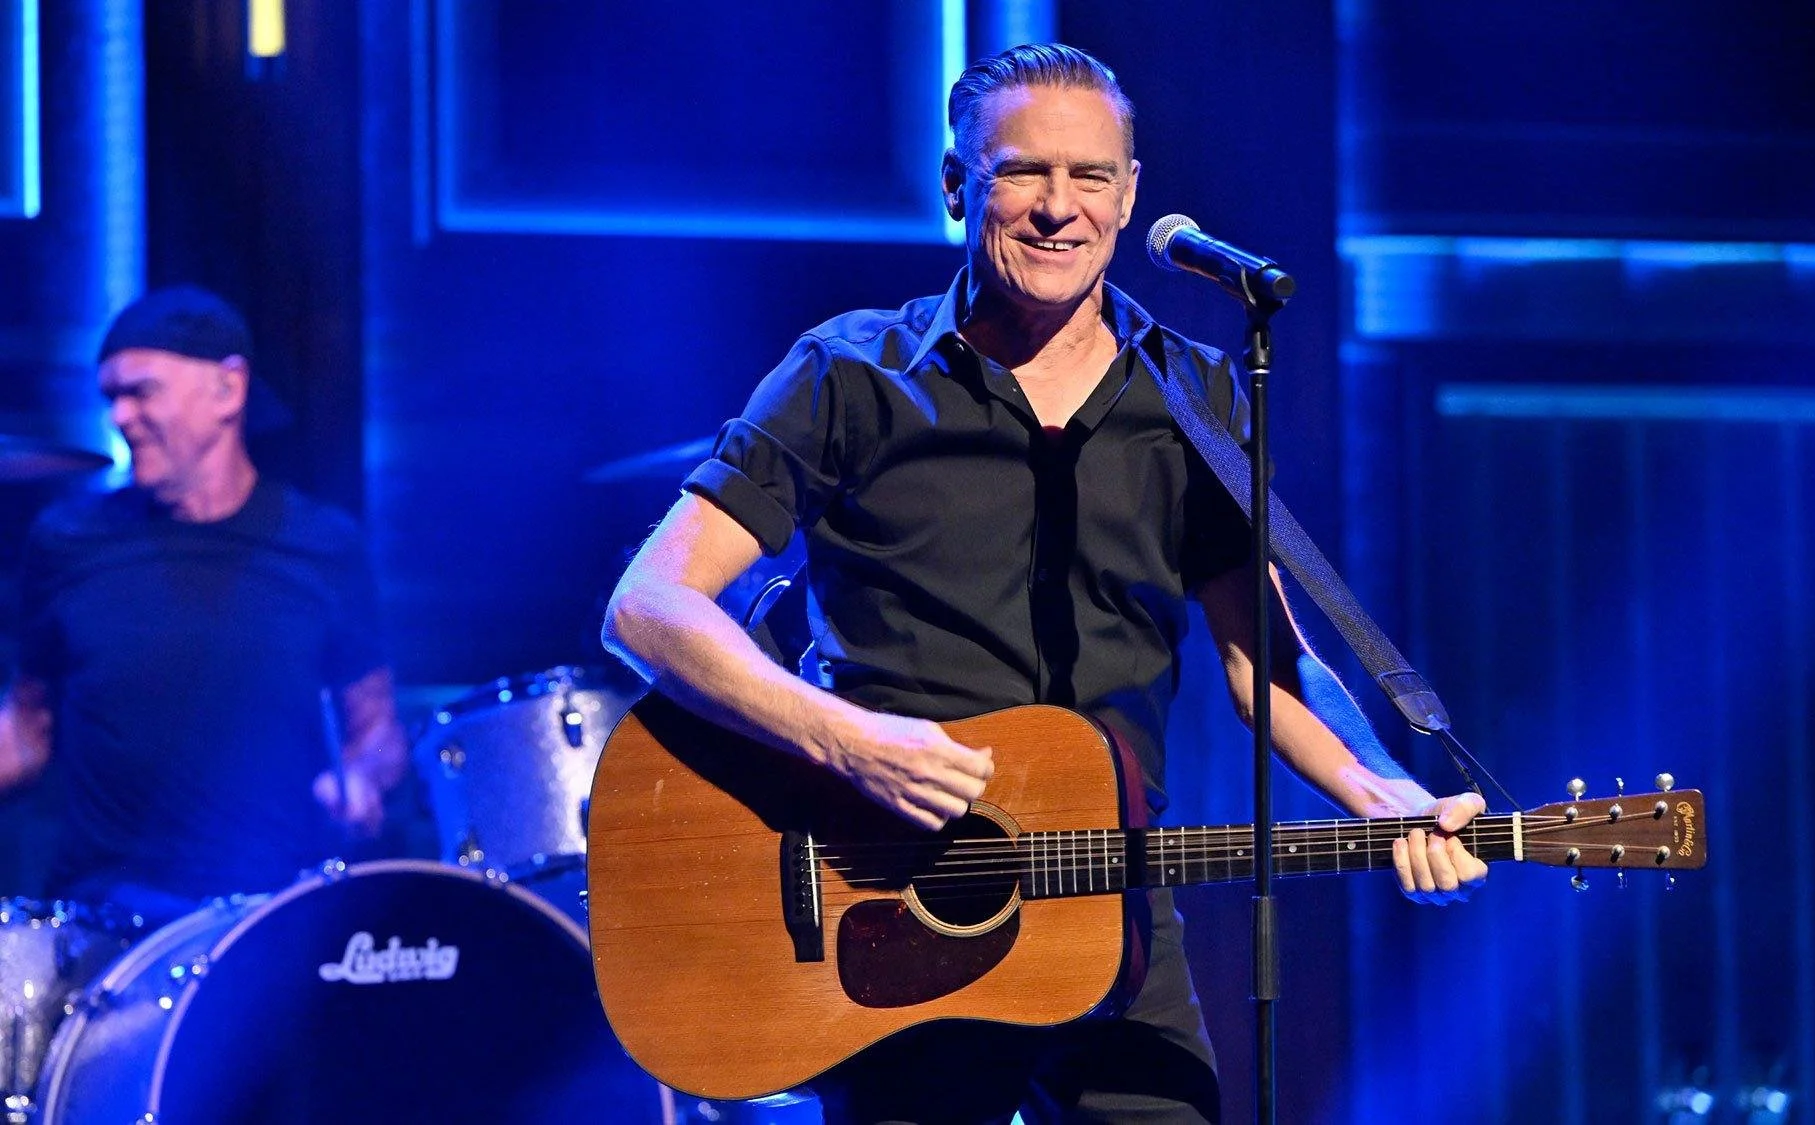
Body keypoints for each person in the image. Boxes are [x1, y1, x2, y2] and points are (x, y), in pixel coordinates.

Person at [602, 44, 1485, 1123]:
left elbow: (1265, 664)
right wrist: (847, 740)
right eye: (1022, 172)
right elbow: (649, 605)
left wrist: (1385, 793)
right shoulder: (851, 375)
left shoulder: (1196, 399)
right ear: (956, 185)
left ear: (1130, 196)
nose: (1058, 208)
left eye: (1089, 176)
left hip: (1106, 903)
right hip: (882, 898)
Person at [0, 286, 406, 922]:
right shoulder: (67, 541)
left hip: (271, 920)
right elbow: (26, 732)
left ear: (228, 390)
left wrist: (361, 778)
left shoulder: (322, 545)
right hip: (106, 919)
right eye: (111, 397)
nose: (121, 416)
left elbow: (376, 729)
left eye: (141, 392)